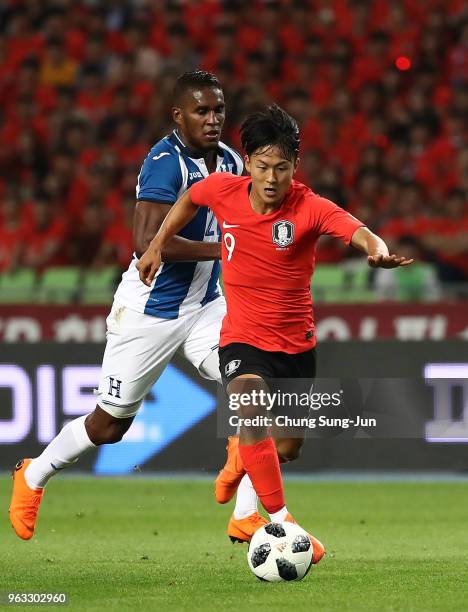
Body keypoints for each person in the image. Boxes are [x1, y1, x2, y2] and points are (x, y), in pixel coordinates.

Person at [137, 104, 414, 564]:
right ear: (247, 163)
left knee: (287, 446)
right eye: (263, 166)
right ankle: (282, 522)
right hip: (242, 338)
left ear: (295, 167)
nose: (271, 178)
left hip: (295, 346)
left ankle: (240, 463)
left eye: (281, 168)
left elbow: (357, 231)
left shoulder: (308, 206)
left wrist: (377, 251)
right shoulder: (223, 190)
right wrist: (156, 247)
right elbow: (189, 199)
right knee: (249, 407)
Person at [9, 70, 247, 540]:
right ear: (178, 115)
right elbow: (146, 244)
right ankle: (33, 474)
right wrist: (224, 249)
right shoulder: (164, 162)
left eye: (219, 109)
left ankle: (247, 511)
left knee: (253, 381)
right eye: (202, 110)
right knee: (110, 426)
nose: (213, 119)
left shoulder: (232, 161)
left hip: (207, 305)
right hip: (151, 311)